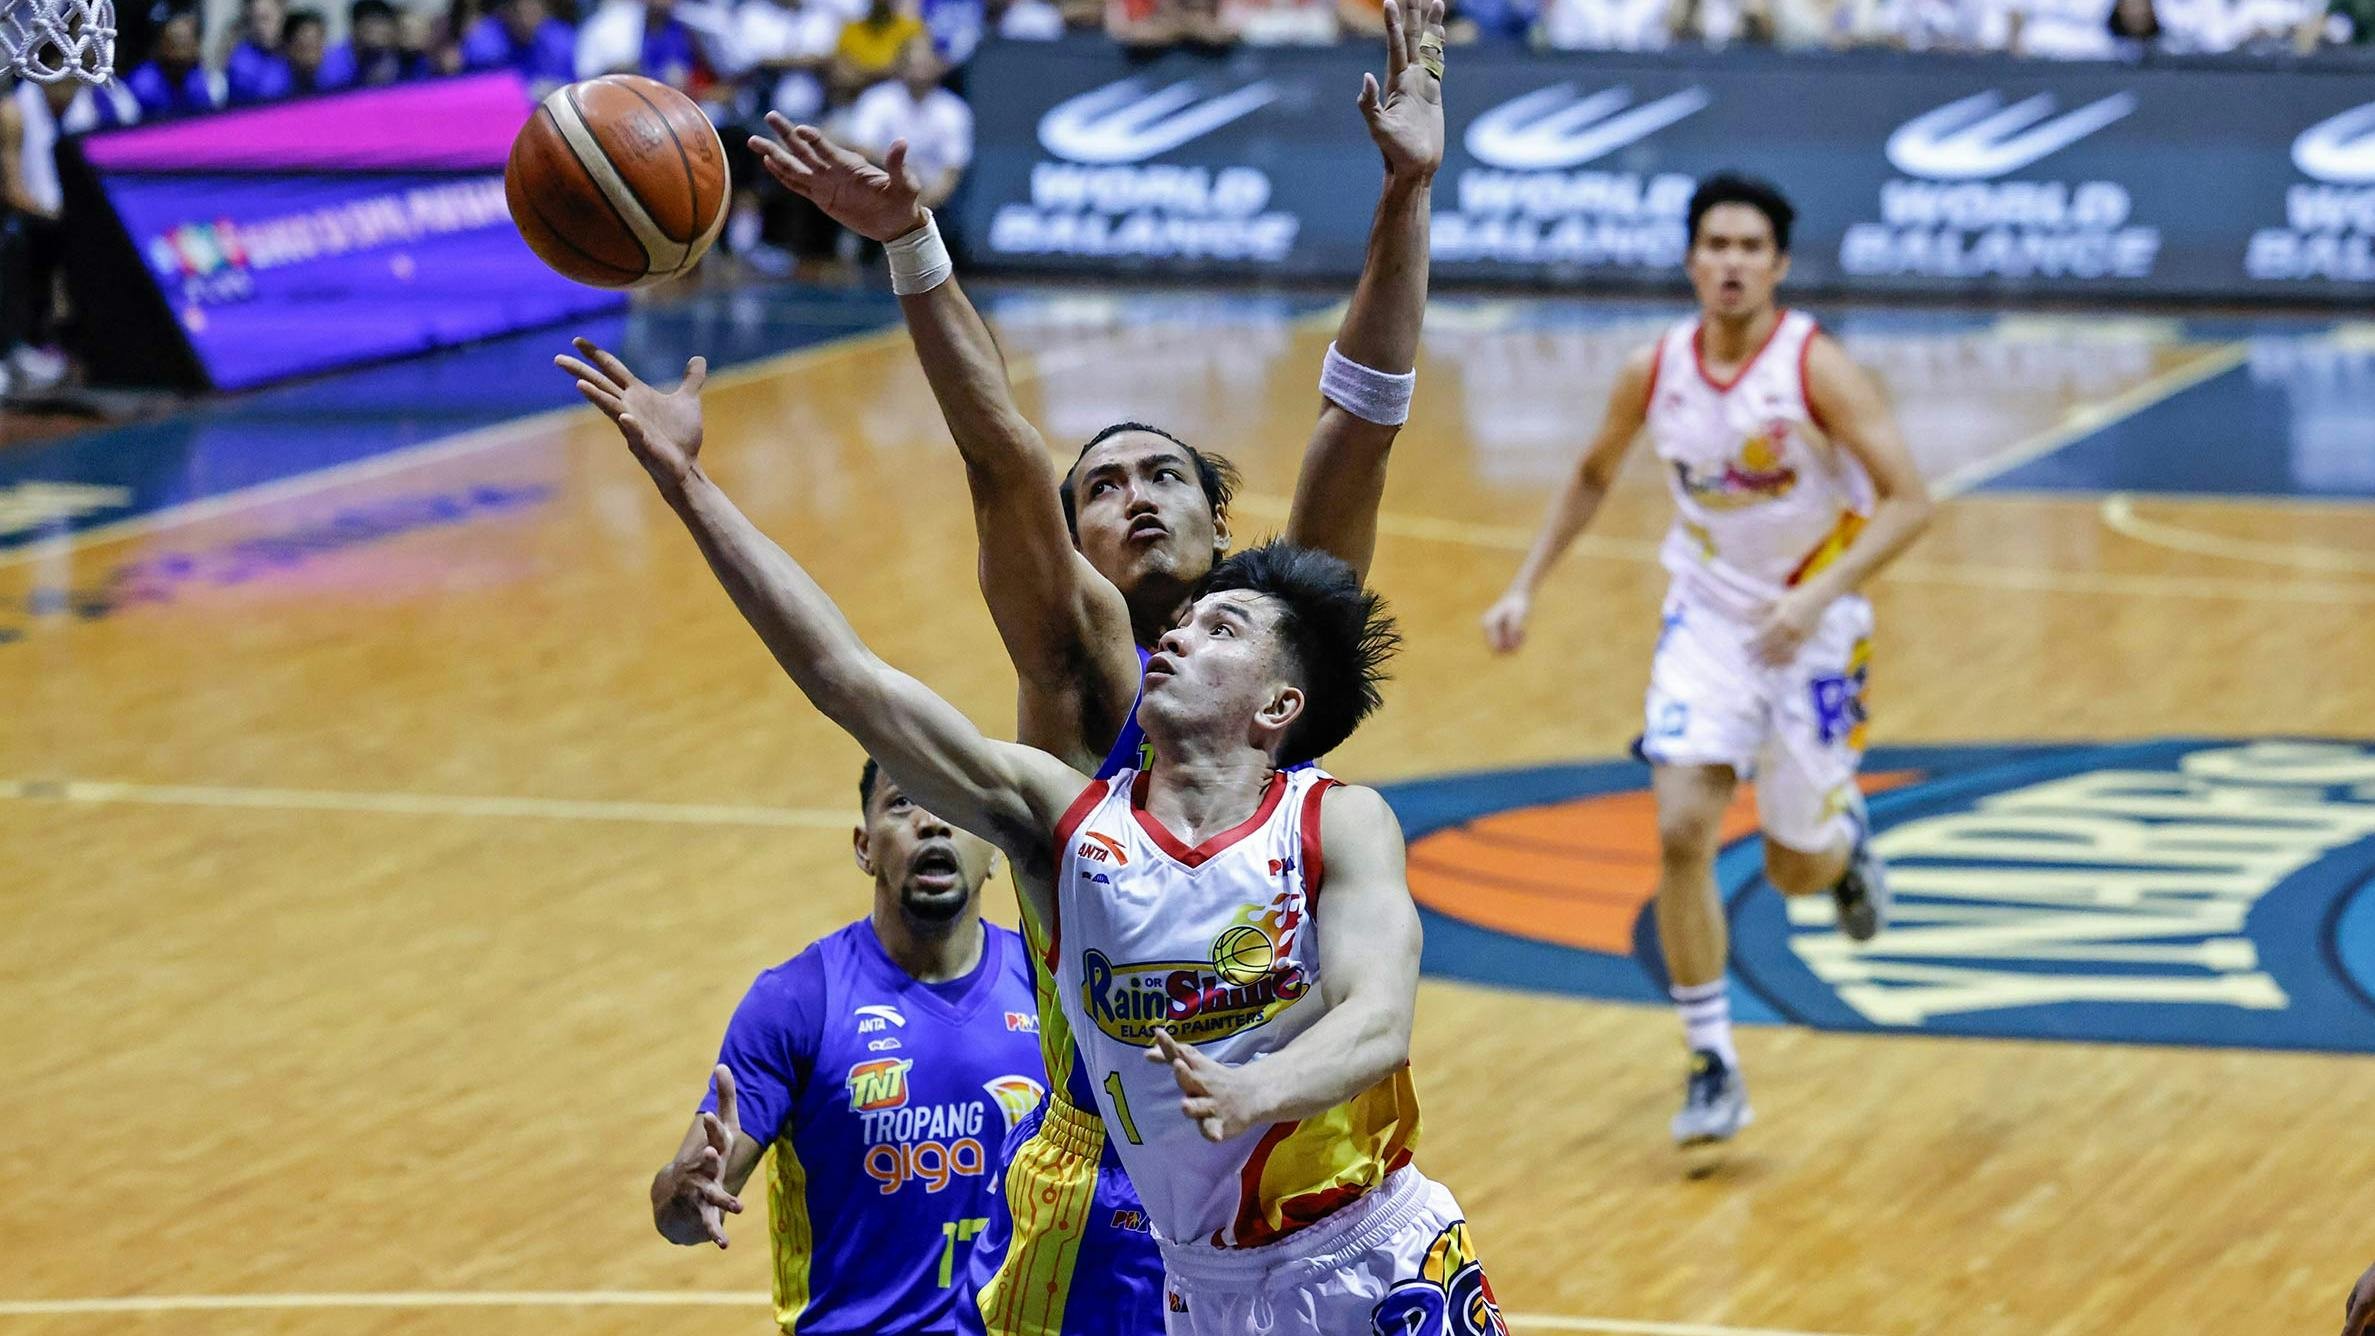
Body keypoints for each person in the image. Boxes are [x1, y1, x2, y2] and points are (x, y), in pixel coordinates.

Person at [553, 326, 1500, 1329]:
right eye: (1181, 627)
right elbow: (845, 676)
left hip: (1370, 1251)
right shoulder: (1066, 822)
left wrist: (1256, 1091)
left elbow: (1376, 1019)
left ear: (1278, 705)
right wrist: (688, 486)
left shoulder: (1336, 820)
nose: (1178, 636)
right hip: (1201, 1286)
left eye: (1220, 628)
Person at [744, 3, 1445, 1329]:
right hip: (1116, 1191)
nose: (1134, 495)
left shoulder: (1274, 652)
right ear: (1069, 548)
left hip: (1318, 1168)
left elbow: (1356, 425)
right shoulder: (1076, 671)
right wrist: (911, 245)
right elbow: (999, 455)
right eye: (1103, 487)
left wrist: (1406, 191)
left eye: (1162, 475)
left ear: (1216, 523)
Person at [1480, 172, 1930, 1147]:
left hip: (1811, 623)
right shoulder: (1653, 369)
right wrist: (1524, 585)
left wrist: (1813, 596)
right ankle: (1710, 1058)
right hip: (1706, 619)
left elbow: (1909, 502)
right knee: (1682, 826)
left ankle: (1841, 844)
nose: (1730, 262)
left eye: (1748, 247)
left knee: (1794, 868)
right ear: (1690, 260)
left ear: (1777, 264)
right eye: (1715, 245)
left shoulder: (1815, 368)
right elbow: (1591, 473)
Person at [649, 758, 1047, 1333]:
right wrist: (682, 1196)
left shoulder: (1051, 990)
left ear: (995, 851)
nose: (932, 820)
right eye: (903, 802)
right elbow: (683, 1216)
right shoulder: (797, 1001)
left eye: (953, 802)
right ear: (865, 848)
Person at [841, 39, 969, 213]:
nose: (919, 71)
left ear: (938, 65)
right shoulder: (877, 99)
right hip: (879, 190)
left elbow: (952, 170)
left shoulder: (953, 110)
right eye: (913, 64)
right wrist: (902, 169)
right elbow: (860, 148)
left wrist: (922, 207)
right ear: (899, 65)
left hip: (931, 201)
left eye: (924, 64)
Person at [459, 0, 578, 95]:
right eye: (520, 11)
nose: (526, 20)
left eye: (533, 9)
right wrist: (525, 92)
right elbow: (478, 92)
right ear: (506, 11)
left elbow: (575, 87)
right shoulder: (483, 44)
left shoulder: (562, 40)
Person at [124, 10, 224, 119]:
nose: (182, 53)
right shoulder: (143, 85)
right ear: (162, 46)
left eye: (187, 43)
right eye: (177, 41)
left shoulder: (197, 80)